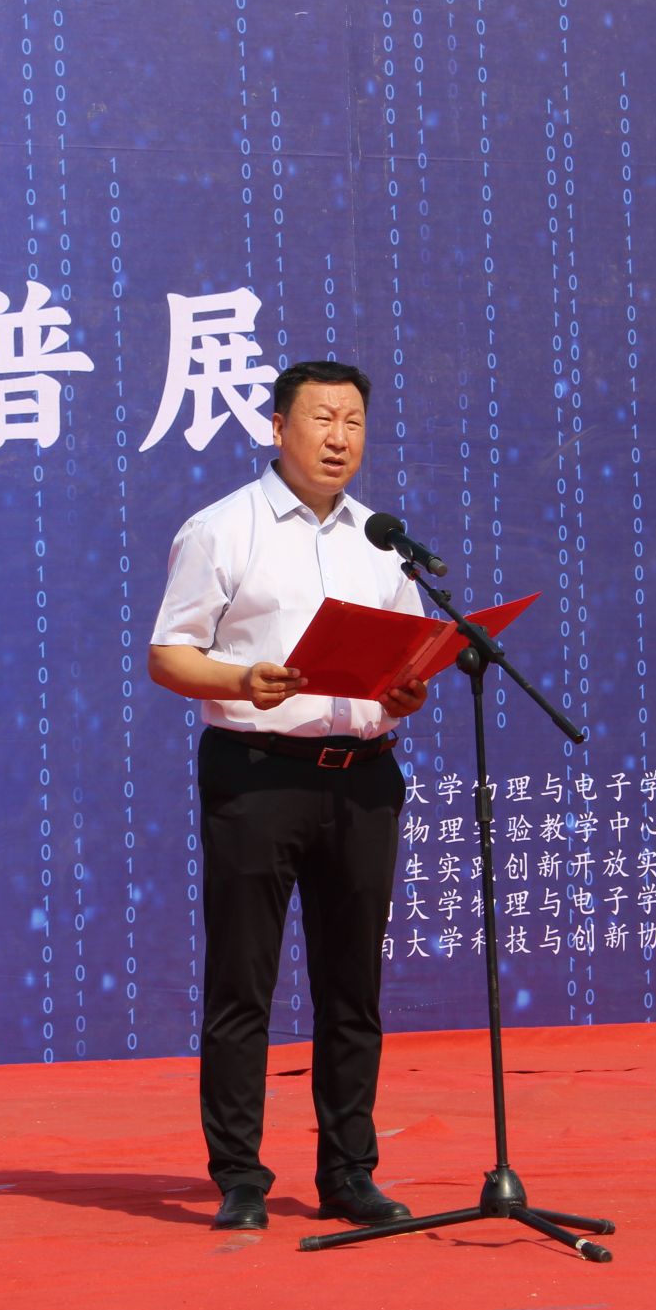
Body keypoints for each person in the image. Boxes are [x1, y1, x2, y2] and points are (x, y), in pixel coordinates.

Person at [148, 359, 428, 1233]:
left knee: (354, 987)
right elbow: (169, 653)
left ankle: (349, 1171)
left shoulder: (381, 540)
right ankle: (240, 1175)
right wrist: (243, 678)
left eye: (354, 421)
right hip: (258, 773)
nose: (339, 437)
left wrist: (408, 688)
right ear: (278, 427)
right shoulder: (222, 528)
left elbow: (404, 656)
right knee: (244, 983)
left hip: (363, 778)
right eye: (321, 419)